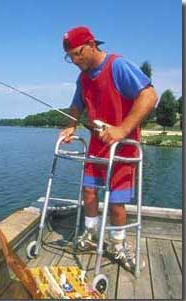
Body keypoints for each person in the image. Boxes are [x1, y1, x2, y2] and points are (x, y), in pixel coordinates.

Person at [60, 26, 158, 273]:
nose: (74, 60)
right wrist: (71, 126)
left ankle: (117, 244)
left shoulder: (118, 65)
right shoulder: (83, 78)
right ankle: (91, 234)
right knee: (89, 192)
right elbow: (76, 104)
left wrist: (122, 129)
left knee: (116, 203)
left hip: (122, 147)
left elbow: (149, 95)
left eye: (77, 54)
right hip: (96, 144)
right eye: (69, 57)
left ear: (92, 45)